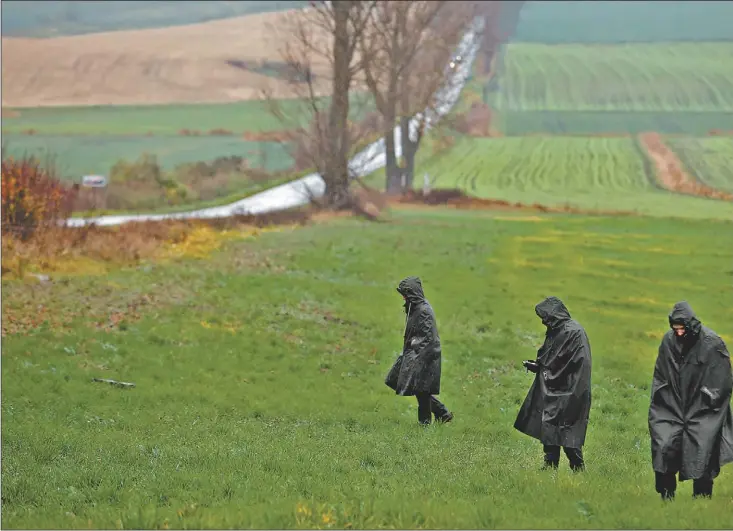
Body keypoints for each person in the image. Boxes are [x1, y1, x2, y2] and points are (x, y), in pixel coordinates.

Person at [648, 301, 733, 500]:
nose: (678, 333)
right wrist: (663, 401)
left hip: (703, 410)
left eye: (682, 329)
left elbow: (722, 382)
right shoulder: (668, 341)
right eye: (675, 329)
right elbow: (660, 375)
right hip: (671, 407)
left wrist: (706, 400)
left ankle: (701, 498)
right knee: (664, 446)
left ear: (690, 326)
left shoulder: (712, 343)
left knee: (702, 450)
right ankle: (666, 496)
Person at [514, 296, 592, 471]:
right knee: (549, 427)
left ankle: (578, 467)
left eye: (545, 317)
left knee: (567, 430)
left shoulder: (569, 331)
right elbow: (554, 359)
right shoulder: (561, 329)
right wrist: (539, 365)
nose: (543, 322)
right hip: (559, 387)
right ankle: (550, 465)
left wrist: (542, 367)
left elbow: (560, 361)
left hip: (570, 390)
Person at [385, 276, 453, 425]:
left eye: (405, 294)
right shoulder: (415, 307)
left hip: (423, 356)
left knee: (422, 391)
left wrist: (414, 357)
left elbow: (427, 338)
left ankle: (426, 424)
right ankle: (441, 412)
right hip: (413, 354)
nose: (403, 297)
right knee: (394, 380)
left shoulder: (423, 310)